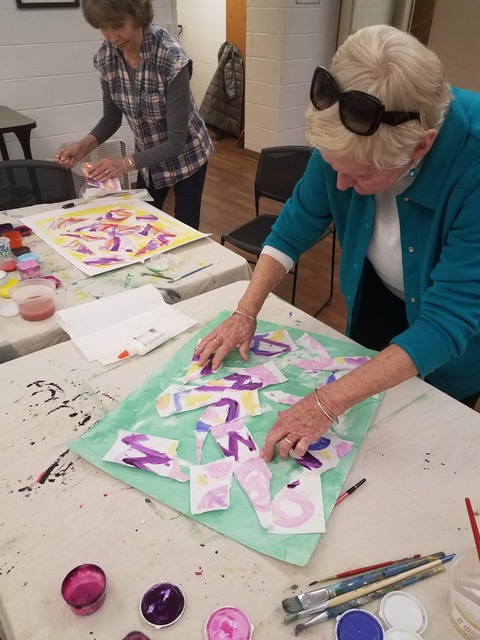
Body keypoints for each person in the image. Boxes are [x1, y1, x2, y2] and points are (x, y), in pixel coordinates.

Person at [195, 25, 480, 462]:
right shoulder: (348, 130)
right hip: (382, 292)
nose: (341, 185)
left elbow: (447, 323)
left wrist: (325, 403)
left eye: (361, 175)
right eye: (334, 167)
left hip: (457, 334)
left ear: (420, 148)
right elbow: (294, 226)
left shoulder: (472, 165)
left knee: (421, 445)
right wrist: (244, 311)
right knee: (363, 426)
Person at [55, 0, 214, 230]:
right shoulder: (105, 58)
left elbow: (176, 143)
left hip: (187, 156)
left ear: (139, 16)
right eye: (103, 27)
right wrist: (83, 146)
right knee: (141, 223)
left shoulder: (171, 58)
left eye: (119, 25)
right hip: (148, 157)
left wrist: (124, 163)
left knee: (185, 229)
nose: (112, 37)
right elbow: (111, 118)